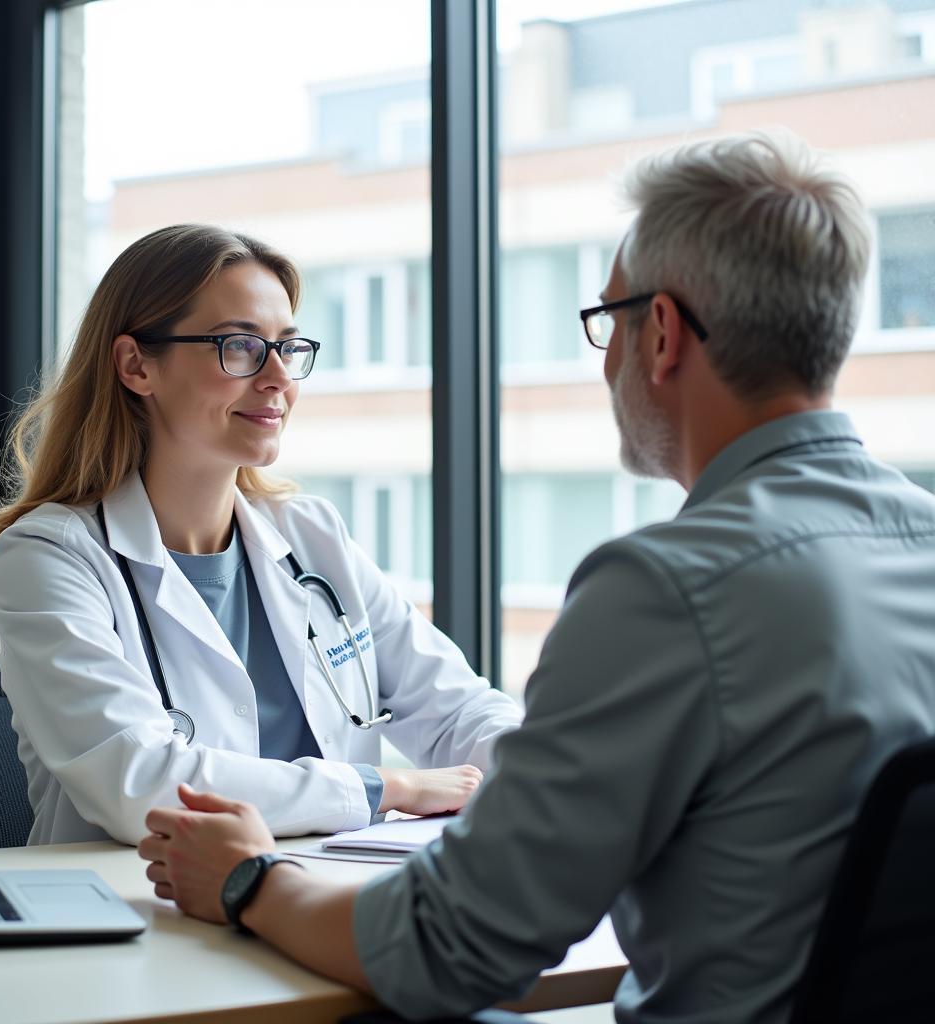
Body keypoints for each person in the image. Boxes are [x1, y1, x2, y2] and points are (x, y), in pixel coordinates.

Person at [138, 134, 935, 1024]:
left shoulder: (669, 590)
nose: (605, 359)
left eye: (609, 320)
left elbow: (447, 948)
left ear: (662, 334)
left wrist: (250, 880)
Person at [0, 224, 522, 846]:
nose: (278, 379)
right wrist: (388, 788)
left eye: (286, 349)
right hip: (141, 913)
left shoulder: (312, 535)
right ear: (136, 366)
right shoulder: (52, 555)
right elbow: (145, 786)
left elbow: (458, 708)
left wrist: (544, 772)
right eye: (238, 346)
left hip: (314, 896)